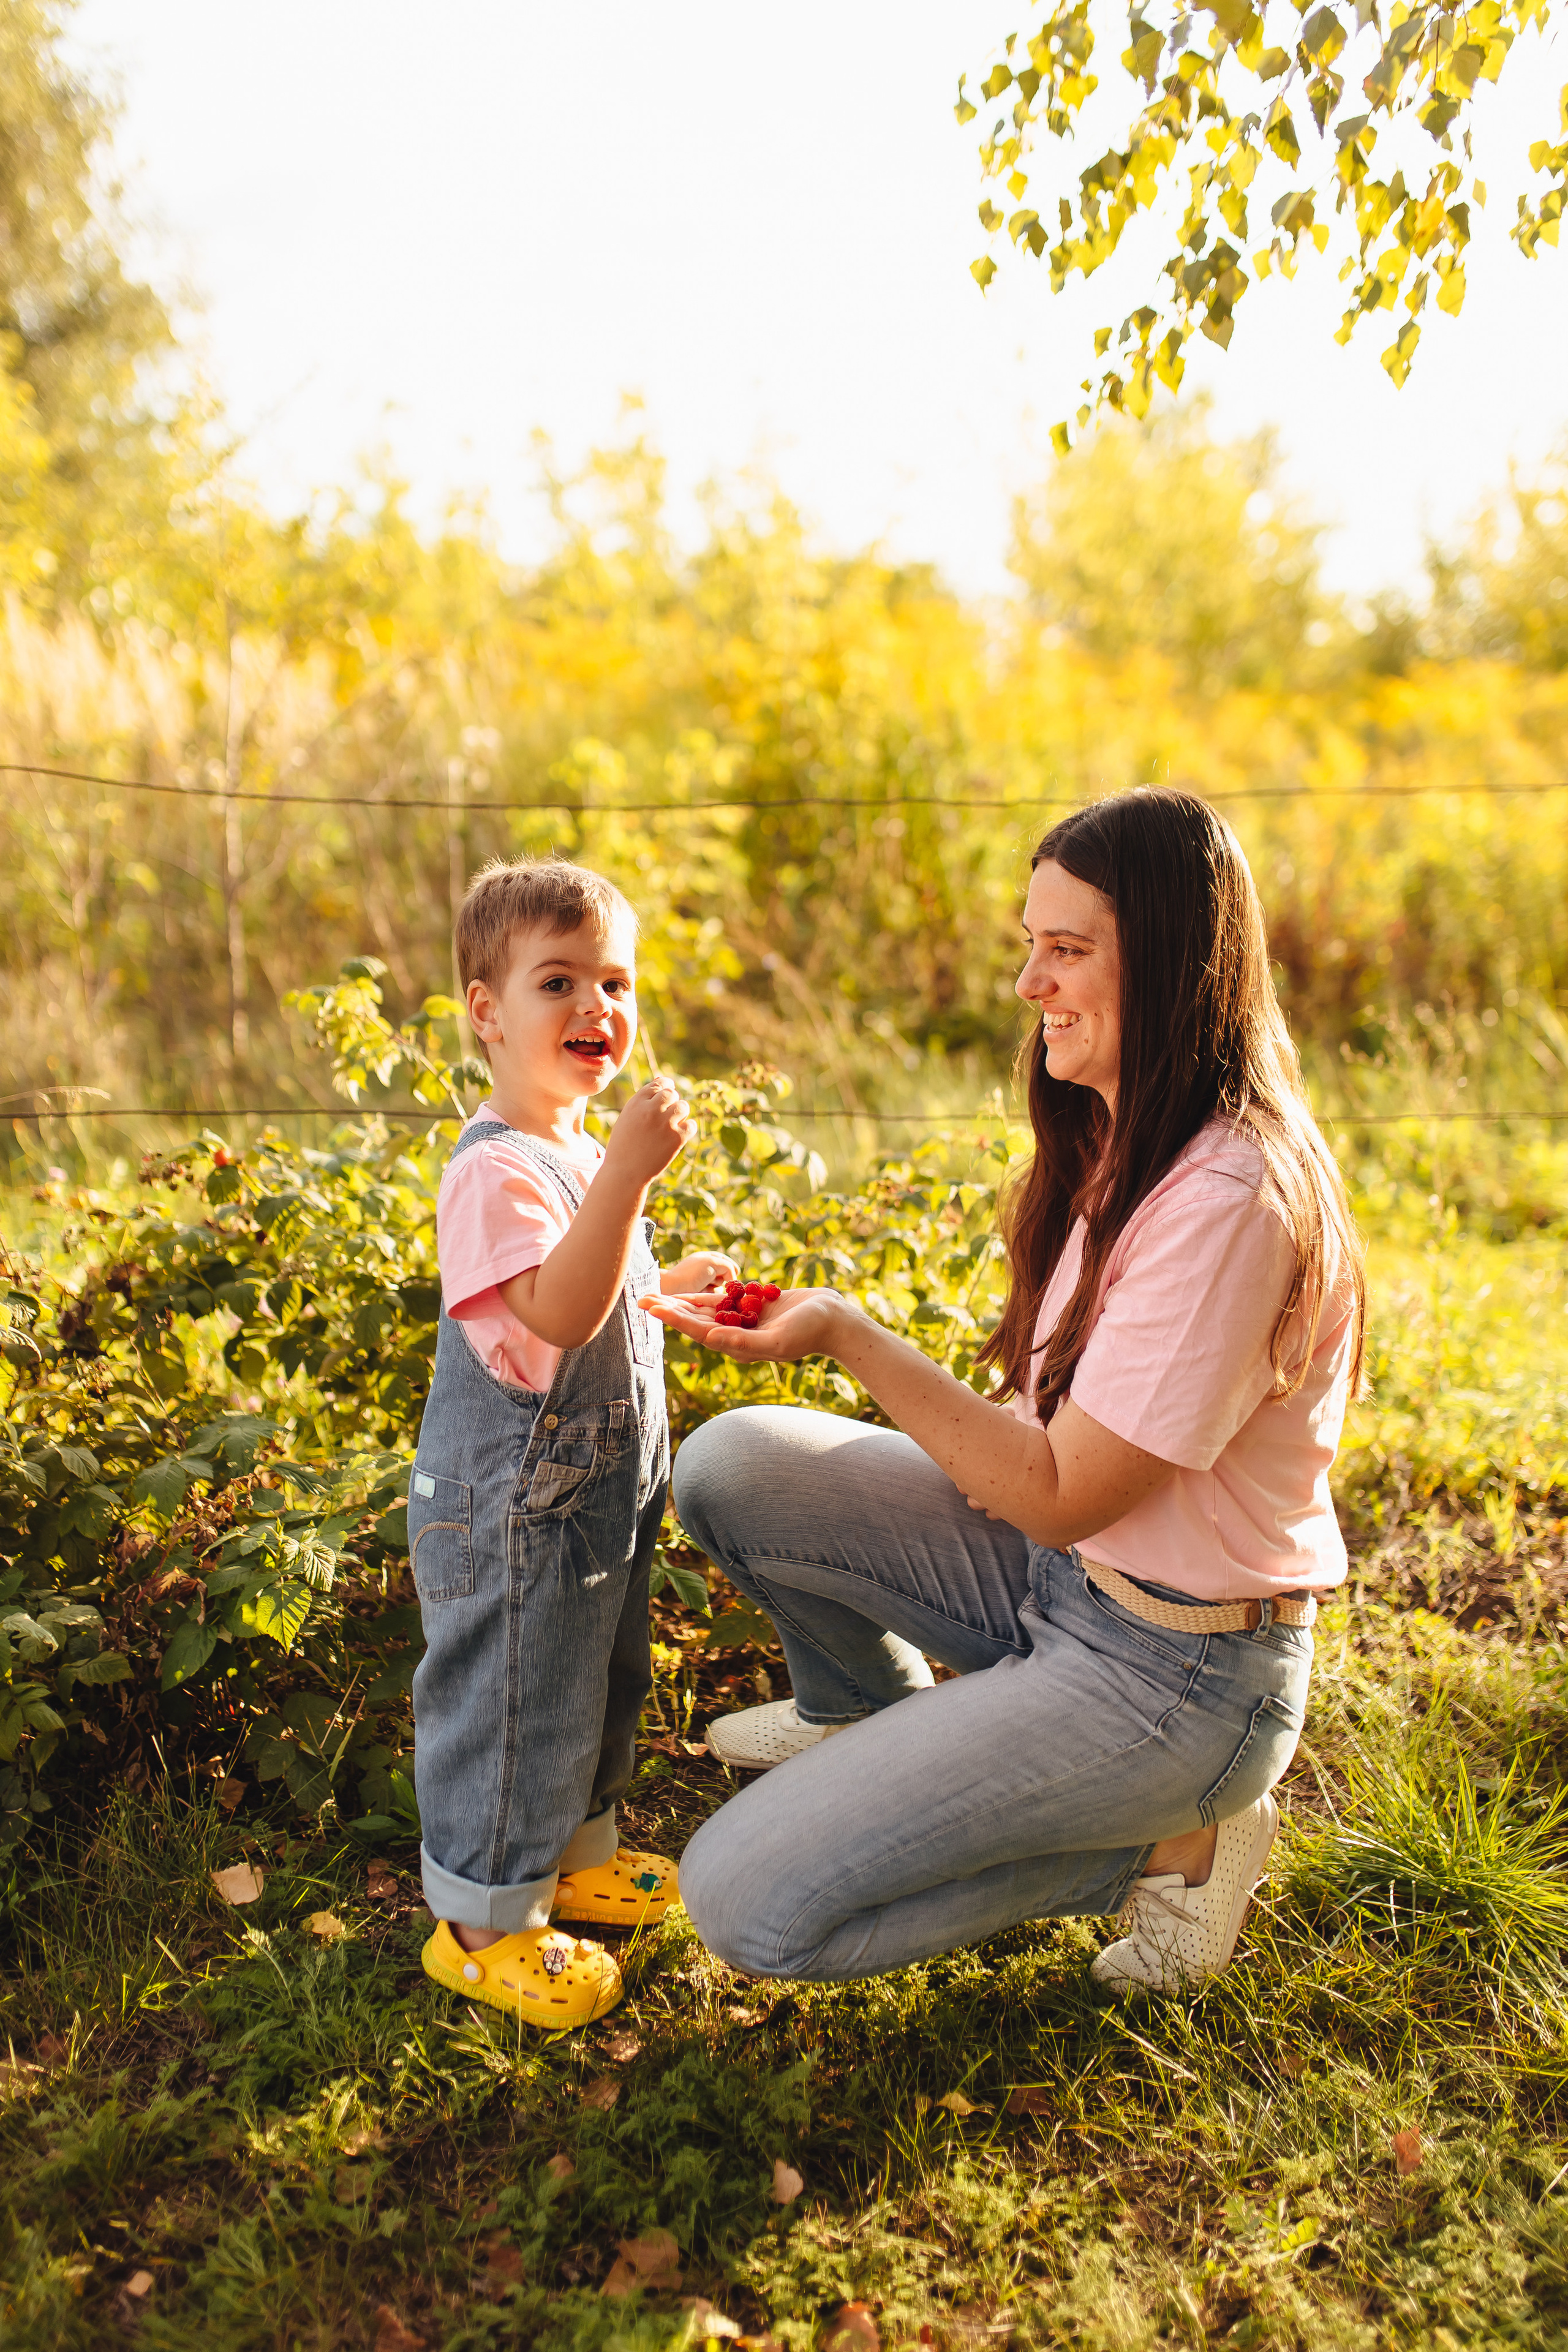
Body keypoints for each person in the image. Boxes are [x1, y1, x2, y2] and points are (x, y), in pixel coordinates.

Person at [646, 791, 1364, 1994]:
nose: (1030, 983)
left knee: (744, 1904)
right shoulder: (1130, 1134)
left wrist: (847, 1334)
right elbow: (1056, 1456)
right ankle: (858, 1713)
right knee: (734, 1464)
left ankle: (1168, 1848)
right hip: (1067, 1580)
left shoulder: (1231, 1200)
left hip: (1175, 1675)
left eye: (1067, 950)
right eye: (1029, 945)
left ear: (1175, 965)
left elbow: (1062, 1491)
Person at [411, 857, 737, 2027]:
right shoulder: (494, 1170)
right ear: (487, 1012)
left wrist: (670, 1281)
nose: (596, 1005)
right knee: (515, 1702)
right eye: (558, 982)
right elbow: (555, 1313)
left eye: (615, 982)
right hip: (513, 1510)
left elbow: (598, 1287)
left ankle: (577, 1855)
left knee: (596, 1679)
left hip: (594, 1498)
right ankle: (482, 1923)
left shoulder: (579, 1154)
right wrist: (636, 1177)